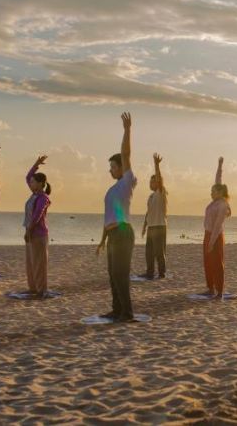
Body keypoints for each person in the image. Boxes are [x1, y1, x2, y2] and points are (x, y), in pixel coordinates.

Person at [96, 112, 138, 322]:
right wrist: (102, 240)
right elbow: (107, 218)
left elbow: (126, 153)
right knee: (112, 275)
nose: (110, 170)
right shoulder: (112, 190)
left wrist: (127, 130)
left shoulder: (126, 182)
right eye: (110, 167)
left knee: (121, 275)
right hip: (113, 235)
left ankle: (127, 313)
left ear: (122, 168)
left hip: (123, 233)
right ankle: (117, 309)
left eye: (113, 166)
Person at [21, 155, 52, 299]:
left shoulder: (43, 198)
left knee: (39, 263)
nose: (30, 183)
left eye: (33, 182)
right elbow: (28, 176)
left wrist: (29, 230)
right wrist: (36, 164)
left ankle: (41, 290)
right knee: (30, 263)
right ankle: (33, 288)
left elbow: (37, 216)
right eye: (31, 182)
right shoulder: (34, 194)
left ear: (40, 184)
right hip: (30, 233)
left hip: (38, 234)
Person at [202, 156, 231, 300]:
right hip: (208, 234)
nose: (211, 193)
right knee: (207, 262)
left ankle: (219, 291)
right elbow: (218, 179)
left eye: (213, 191)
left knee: (217, 263)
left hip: (216, 236)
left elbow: (218, 225)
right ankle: (210, 288)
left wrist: (212, 242)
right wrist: (219, 165)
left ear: (219, 193)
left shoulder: (222, 205)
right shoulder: (215, 201)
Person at [138, 153, 167, 280]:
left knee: (159, 252)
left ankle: (161, 273)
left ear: (157, 183)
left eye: (152, 181)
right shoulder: (151, 196)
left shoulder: (160, 193)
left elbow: (160, 179)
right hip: (151, 227)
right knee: (148, 252)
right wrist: (144, 226)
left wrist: (156, 165)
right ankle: (150, 272)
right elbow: (148, 212)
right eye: (150, 181)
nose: (150, 183)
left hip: (160, 226)